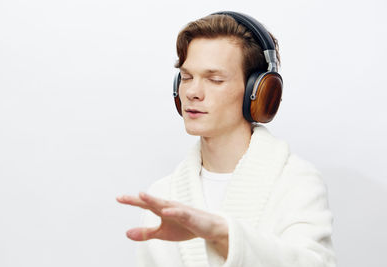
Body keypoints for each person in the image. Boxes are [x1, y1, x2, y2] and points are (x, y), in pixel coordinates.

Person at [117, 11, 336, 267]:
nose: (193, 93)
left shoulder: (295, 182)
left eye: (215, 79)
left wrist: (221, 234)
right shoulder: (163, 196)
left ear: (259, 91)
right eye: (186, 78)